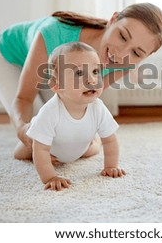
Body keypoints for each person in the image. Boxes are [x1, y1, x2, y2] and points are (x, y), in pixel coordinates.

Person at [0, 3, 162, 157]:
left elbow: (86, 100)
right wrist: (22, 130)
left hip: (55, 74)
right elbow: (23, 98)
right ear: (113, 19)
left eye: (136, 52)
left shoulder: (126, 63)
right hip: (9, 58)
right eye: (122, 36)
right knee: (40, 133)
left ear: (144, 57)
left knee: (63, 136)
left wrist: (87, 141)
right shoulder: (54, 33)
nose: (121, 53)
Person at [27, 42, 125, 191]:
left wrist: (111, 166)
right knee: (24, 152)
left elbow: (110, 140)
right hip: (51, 148)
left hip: (80, 146)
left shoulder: (98, 107)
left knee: (93, 149)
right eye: (79, 73)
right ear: (56, 85)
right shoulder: (50, 112)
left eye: (95, 71)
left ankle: (93, 141)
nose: (91, 80)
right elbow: (41, 150)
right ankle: (30, 130)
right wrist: (51, 177)